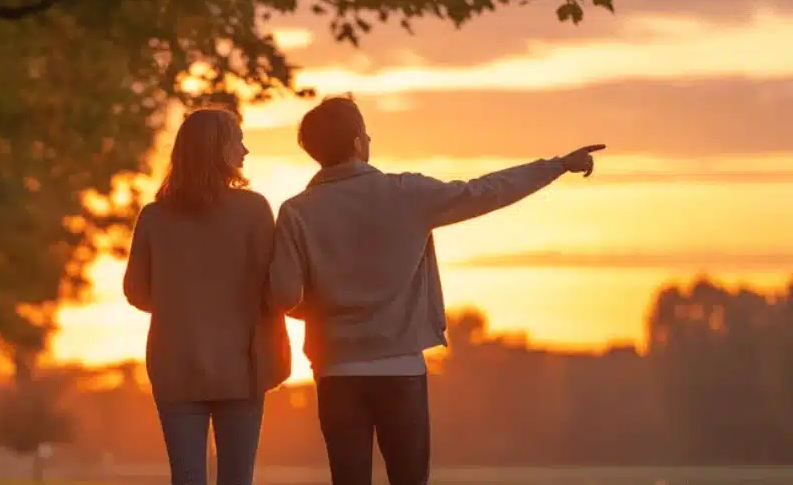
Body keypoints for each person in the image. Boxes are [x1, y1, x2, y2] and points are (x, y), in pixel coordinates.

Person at [267, 95, 605, 485]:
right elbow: (487, 190)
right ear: (359, 142)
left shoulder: (296, 211)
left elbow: (284, 297)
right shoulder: (407, 193)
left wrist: (324, 306)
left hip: (336, 371)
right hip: (402, 369)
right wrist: (558, 166)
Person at [123, 107, 291, 485]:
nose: (245, 151)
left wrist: (178, 303)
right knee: (237, 479)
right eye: (238, 141)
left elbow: (135, 291)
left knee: (185, 480)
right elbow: (274, 288)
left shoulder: (153, 217)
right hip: (242, 370)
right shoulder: (254, 210)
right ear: (219, 149)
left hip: (175, 367)